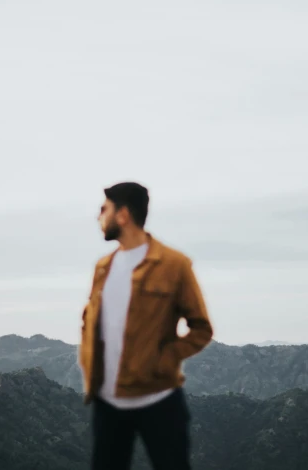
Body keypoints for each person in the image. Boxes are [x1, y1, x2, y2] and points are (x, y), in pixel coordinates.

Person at [78, 181, 214, 470]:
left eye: (104, 209)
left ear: (123, 215)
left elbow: (201, 328)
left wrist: (163, 360)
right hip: (108, 405)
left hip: (159, 402)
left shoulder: (174, 265)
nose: (98, 216)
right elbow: (91, 322)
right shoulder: (103, 267)